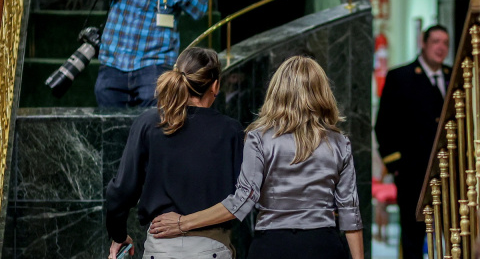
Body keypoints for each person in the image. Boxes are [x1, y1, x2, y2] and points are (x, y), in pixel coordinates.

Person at [149, 56, 364, 259]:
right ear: (322, 92)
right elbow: (350, 213)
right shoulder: (339, 143)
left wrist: (182, 223)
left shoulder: (259, 138)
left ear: (277, 90)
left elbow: (243, 200)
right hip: (323, 245)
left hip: (271, 246)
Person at [105, 47, 244, 259]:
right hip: (213, 248)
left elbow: (121, 191)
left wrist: (118, 234)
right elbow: (242, 198)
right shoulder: (231, 130)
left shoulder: (149, 123)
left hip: (160, 249)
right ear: (215, 85)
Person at [375, 25, 451, 259]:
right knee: (412, 238)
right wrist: (397, 166)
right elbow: (383, 126)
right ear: (424, 44)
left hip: (447, 173)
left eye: (445, 43)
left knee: (451, 233)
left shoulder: (452, 76)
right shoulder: (401, 77)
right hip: (413, 174)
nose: (441, 47)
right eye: (436, 41)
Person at [89, 0, 209, 107]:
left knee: (154, 124)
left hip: (156, 61)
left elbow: (199, 9)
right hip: (114, 58)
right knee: (110, 125)